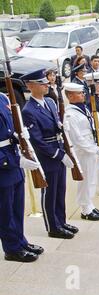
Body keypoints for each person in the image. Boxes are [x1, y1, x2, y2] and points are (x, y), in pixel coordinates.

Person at [21, 69, 78, 239]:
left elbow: (56, 124)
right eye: (41, 83)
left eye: (46, 82)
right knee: (50, 192)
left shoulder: (51, 103)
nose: (46, 85)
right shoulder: (28, 110)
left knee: (60, 190)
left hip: (59, 149)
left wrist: (62, 126)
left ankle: (61, 221)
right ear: (30, 86)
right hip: (48, 156)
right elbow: (38, 141)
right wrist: (60, 155)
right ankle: (53, 227)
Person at [0, 92, 44, 262]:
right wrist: (14, 161)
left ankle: (20, 241)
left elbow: (10, 126)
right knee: (5, 212)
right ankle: (11, 249)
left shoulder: (3, 98)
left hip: (13, 159)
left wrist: (19, 137)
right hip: (5, 164)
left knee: (17, 208)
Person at [63, 83, 99, 221]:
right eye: (80, 93)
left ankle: (90, 204)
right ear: (70, 96)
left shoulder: (83, 109)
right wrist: (95, 149)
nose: (83, 95)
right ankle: (85, 209)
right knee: (86, 180)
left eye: (83, 92)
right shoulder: (70, 114)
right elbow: (77, 139)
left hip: (91, 149)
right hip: (83, 152)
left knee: (91, 179)